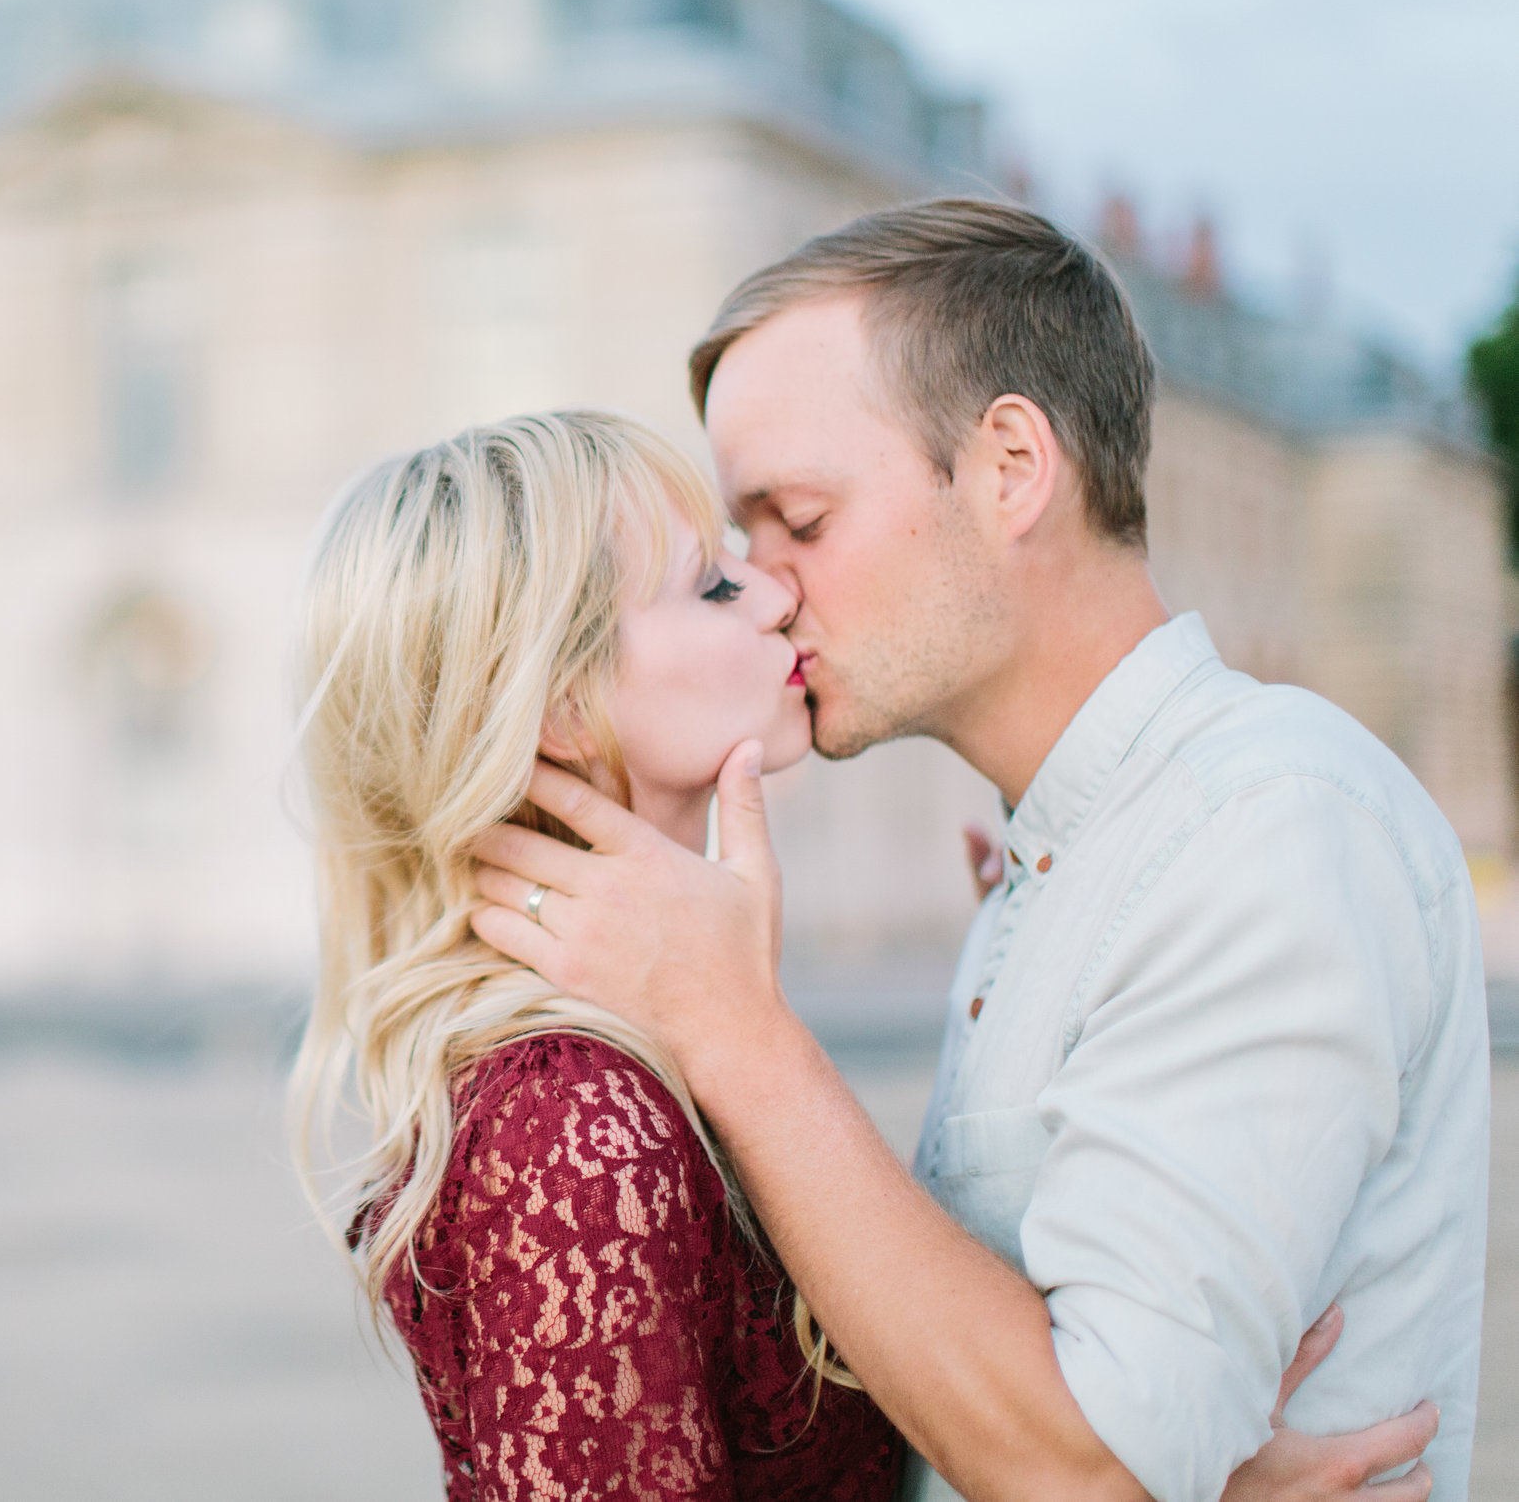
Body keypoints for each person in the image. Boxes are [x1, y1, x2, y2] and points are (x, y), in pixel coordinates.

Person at [468, 199, 1485, 1501]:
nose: (766, 589)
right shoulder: (1061, 851)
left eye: (803, 519)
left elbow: (1093, 1461)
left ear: (1011, 466)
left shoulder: (1264, 827)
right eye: (739, 545)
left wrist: (739, 1032)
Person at [289, 411, 903, 1500]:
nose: (774, 592)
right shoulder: (568, 1120)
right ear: (563, 706)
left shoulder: (649, 1044)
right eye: (711, 584)